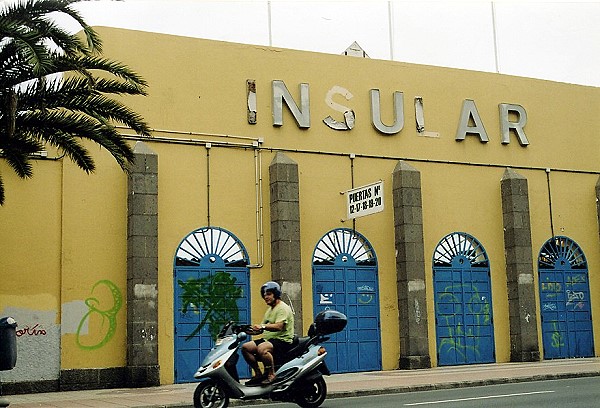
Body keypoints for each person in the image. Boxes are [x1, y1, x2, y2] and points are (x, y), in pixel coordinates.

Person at [241, 281, 295, 385]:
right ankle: (258, 374)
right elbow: (261, 329)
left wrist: (262, 326)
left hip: (282, 340)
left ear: (276, 294)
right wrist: (247, 330)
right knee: (245, 347)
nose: (266, 297)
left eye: (269, 294)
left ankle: (271, 374)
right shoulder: (270, 310)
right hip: (269, 340)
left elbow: (279, 326)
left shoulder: (282, 308)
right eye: (264, 295)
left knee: (262, 348)